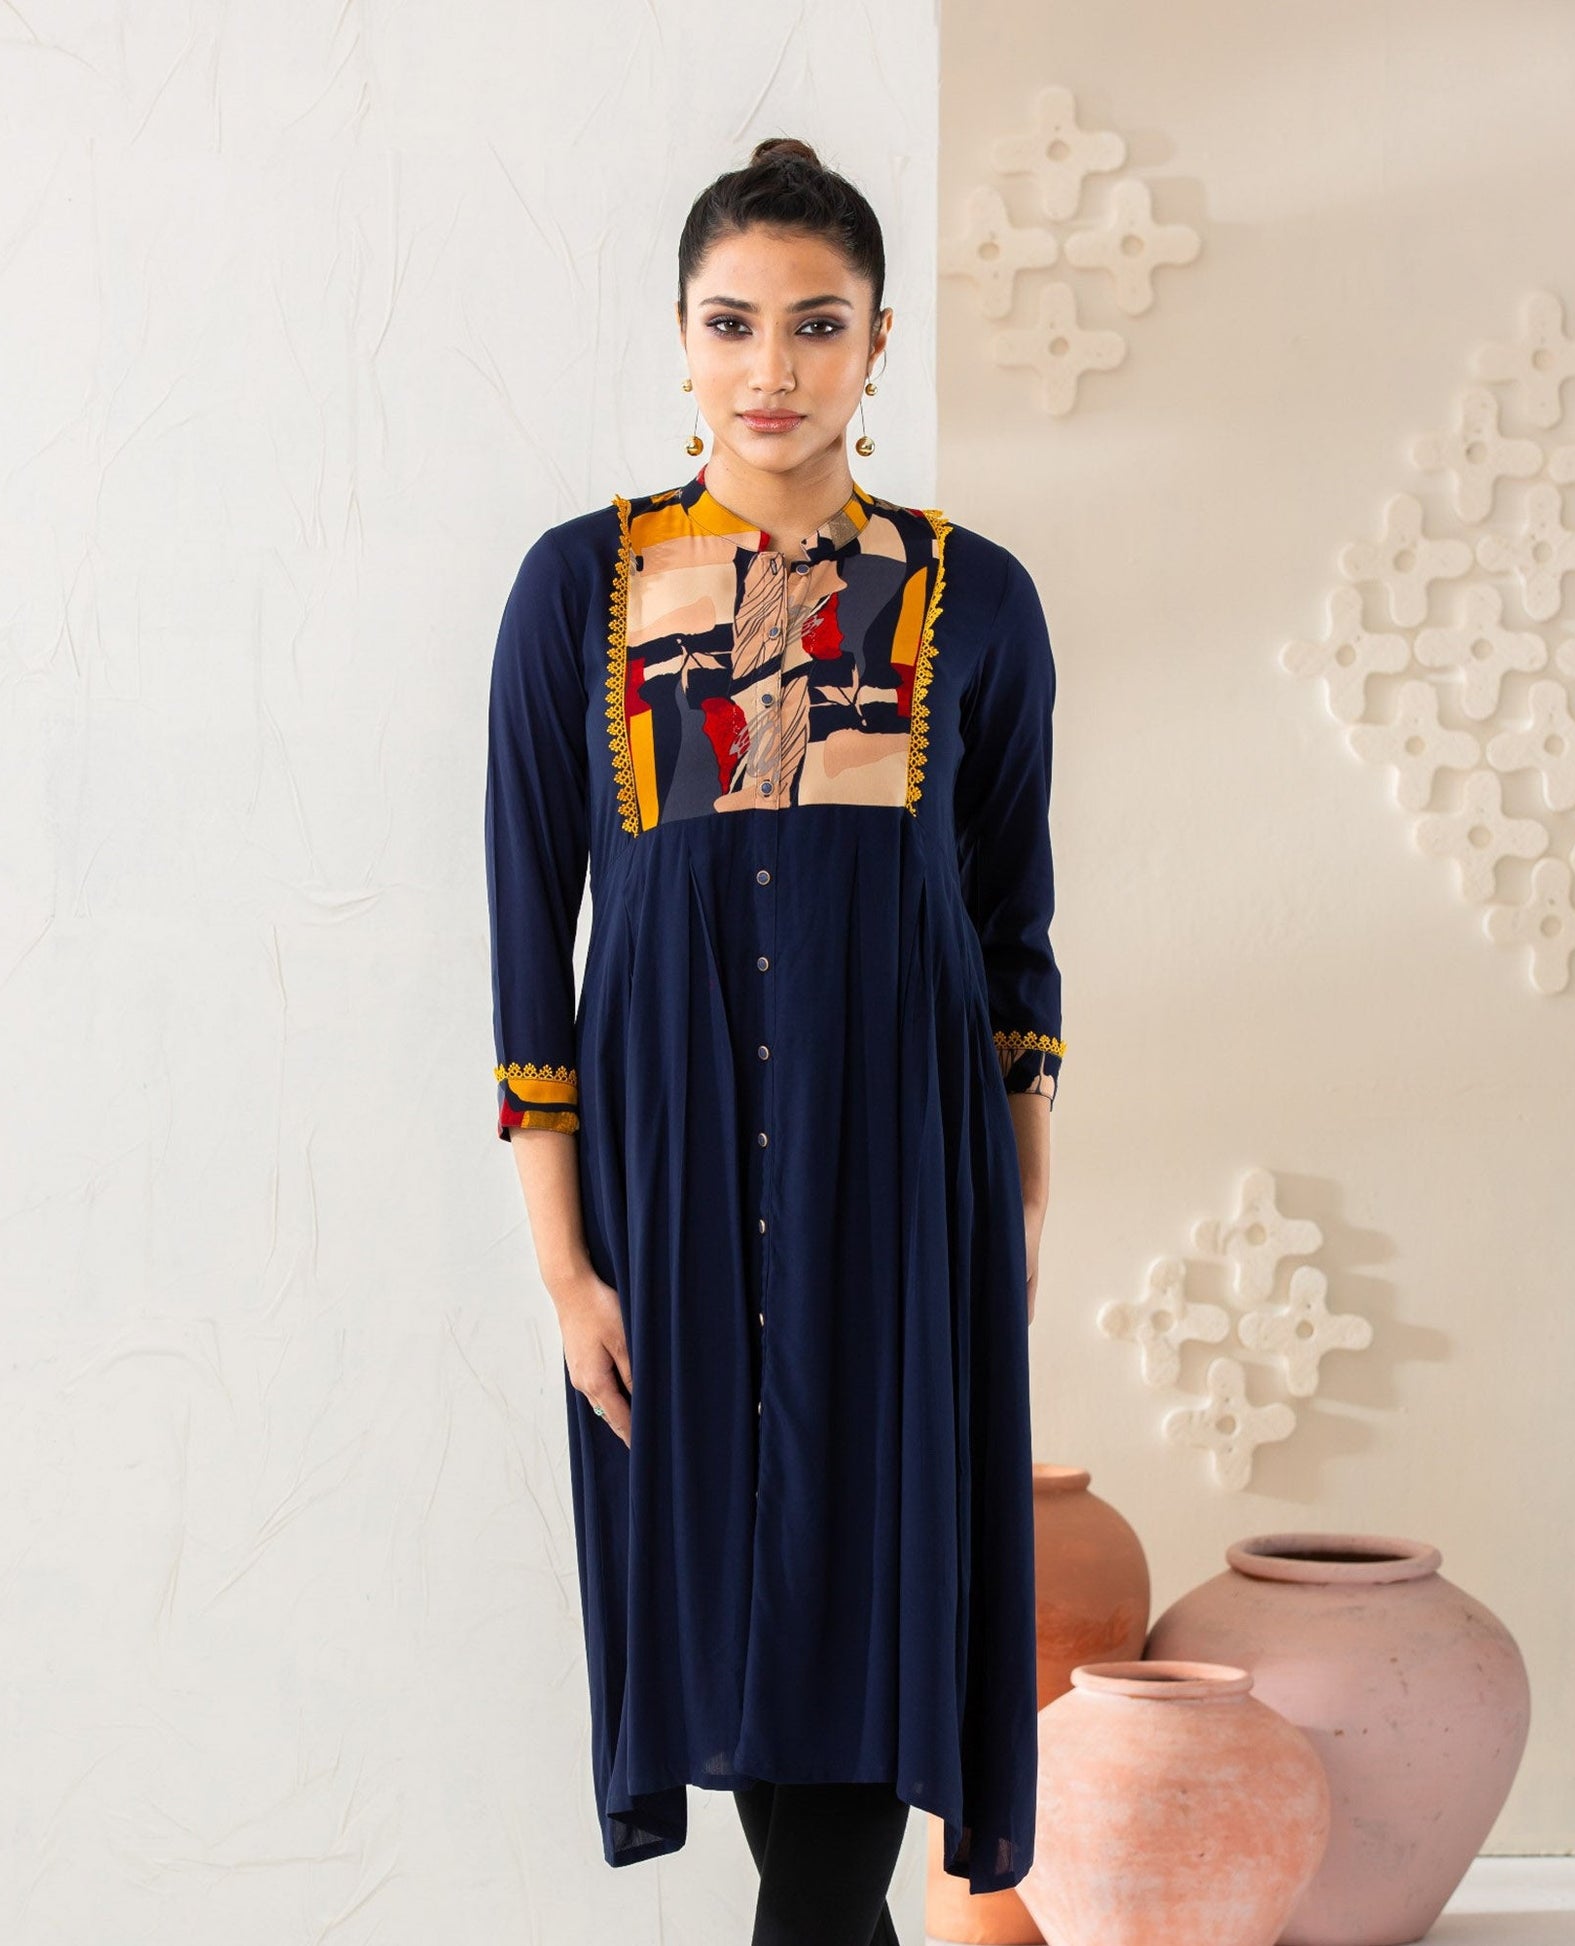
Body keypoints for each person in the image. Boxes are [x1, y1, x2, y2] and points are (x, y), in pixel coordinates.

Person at [484, 135, 1063, 1946]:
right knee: (734, 1630)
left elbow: (1013, 944)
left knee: (867, 1635)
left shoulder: (972, 599)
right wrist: (564, 1268)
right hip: (664, 1202)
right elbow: (528, 956)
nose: (772, 366)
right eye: (732, 322)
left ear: (878, 343)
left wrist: (1020, 1213)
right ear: (680, 338)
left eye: (817, 324)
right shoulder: (576, 590)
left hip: (899, 1190)